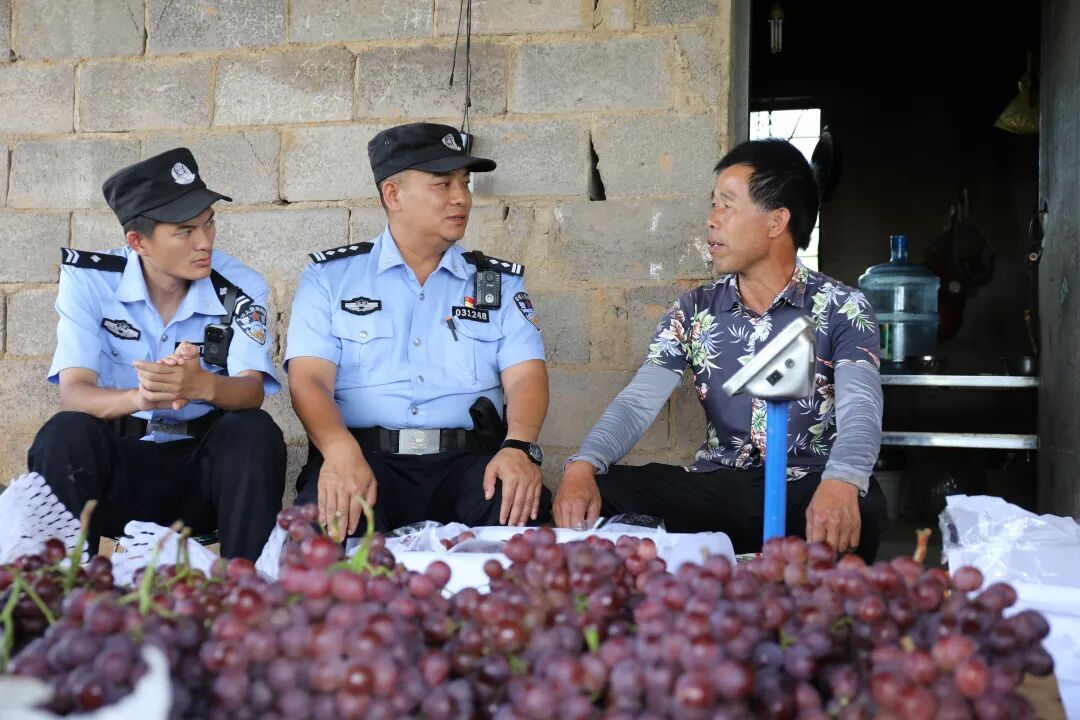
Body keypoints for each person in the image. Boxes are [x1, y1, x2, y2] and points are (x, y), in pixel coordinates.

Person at [553, 138, 888, 562]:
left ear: (776, 221)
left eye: (727, 205)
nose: (711, 221)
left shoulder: (841, 306)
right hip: (719, 486)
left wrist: (842, 480)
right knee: (599, 493)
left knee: (862, 507)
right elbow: (639, 402)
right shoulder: (694, 310)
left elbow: (862, 407)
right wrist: (585, 463)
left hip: (806, 486)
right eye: (713, 205)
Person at [286, 123, 551, 541]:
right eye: (442, 184)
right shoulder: (331, 278)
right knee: (322, 546)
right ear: (393, 195)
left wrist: (519, 446)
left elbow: (525, 374)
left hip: (469, 465)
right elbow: (309, 379)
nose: (461, 197)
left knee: (527, 537)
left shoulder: (496, 284)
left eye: (465, 183)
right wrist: (337, 451)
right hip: (363, 458)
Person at [28, 148, 286, 561]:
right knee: (64, 434)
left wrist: (204, 386)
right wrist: (141, 398)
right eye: (185, 231)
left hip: (200, 475)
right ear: (138, 241)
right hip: (118, 473)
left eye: (209, 223)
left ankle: (247, 598)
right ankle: (57, 598)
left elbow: (251, 391)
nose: (205, 242)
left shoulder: (238, 286)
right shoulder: (90, 280)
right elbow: (73, 394)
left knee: (254, 431)